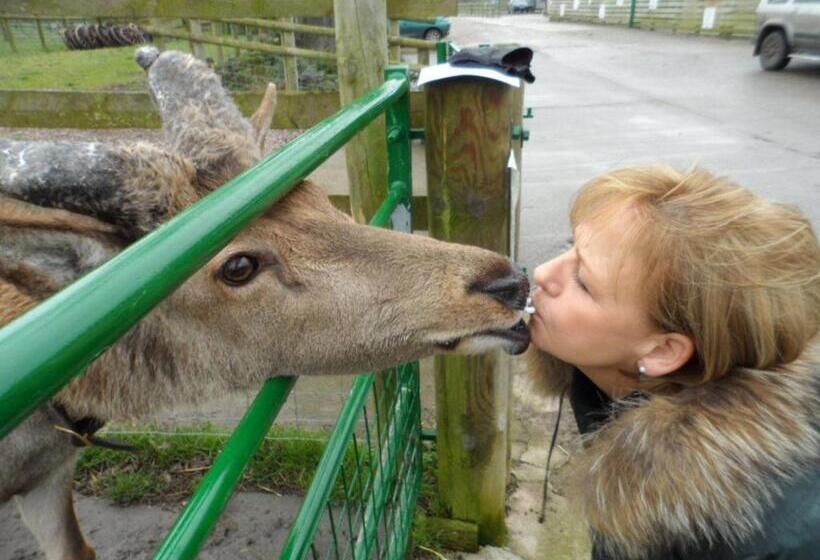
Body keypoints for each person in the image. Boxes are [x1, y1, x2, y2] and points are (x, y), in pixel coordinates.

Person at [526, 165, 819, 559]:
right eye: (570, 245)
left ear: (663, 352)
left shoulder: (749, 540)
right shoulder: (624, 393)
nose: (543, 273)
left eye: (583, 281)